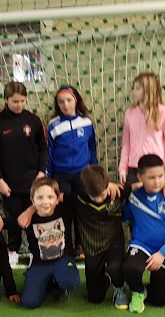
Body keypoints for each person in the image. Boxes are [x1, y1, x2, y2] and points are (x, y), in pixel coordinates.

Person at [0, 81, 47, 265]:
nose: (19, 105)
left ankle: (35, 250)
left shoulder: (34, 120)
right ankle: (12, 249)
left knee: (33, 217)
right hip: (9, 183)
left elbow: (44, 149)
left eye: (22, 101)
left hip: (32, 182)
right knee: (13, 219)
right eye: (14, 101)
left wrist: (41, 172)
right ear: (6, 100)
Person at [122, 154, 165, 313]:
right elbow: (124, 216)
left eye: (160, 176)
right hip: (142, 245)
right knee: (130, 268)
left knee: (160, 300)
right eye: (151, 177)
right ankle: (138, 291)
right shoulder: (134, 196)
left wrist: (162, 254)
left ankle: (155, 285)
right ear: (140, 177)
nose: (157, 181)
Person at [46, 85, 97, 260]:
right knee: (64, 213)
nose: (65, 105)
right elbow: (49, 153)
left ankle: (81, 247)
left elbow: (92, 148)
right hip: (61, 177)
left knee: (82, 211)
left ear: (76, 100)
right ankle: (66, 247)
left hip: (83, 175)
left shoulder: (86, 122)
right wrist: (50, 179)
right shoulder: (53, 125)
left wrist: (93, 172)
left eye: (69, 100)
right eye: (61, 102)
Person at [17, 177, 80, 309]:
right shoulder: (27, 218)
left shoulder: (65, 209)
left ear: (57, 199)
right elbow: (6, 222)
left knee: (70, 282)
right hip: (40, 264)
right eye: (40, 198)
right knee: (29, 302)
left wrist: (32, 208)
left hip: (63, 259)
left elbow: (79, 196)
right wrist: (30, 210)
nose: (45, 202)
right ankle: (47, 282)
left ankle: (60, 284)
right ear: (32, 200)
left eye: (50, 197)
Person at [75, 165, 128, 309]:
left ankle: (119, 288)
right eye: (94, 196)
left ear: (107, 184)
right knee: (95, 298)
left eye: (102, 195)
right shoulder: (78, 197)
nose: (99, 199)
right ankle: (105, 279)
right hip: (92, 246)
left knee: (115, 267)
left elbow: (138, 186)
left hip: (114, 242)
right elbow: (55, 197)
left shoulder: (117, 192)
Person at [119, 72, 165, 189]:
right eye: (133, 88)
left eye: (137, 89)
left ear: (148, 90)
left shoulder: (163, 112)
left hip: (155, 169)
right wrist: (122, 168)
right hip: (134, 169)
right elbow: (126, 144)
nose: (133, 92)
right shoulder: (130, 113)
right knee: (134, 199)